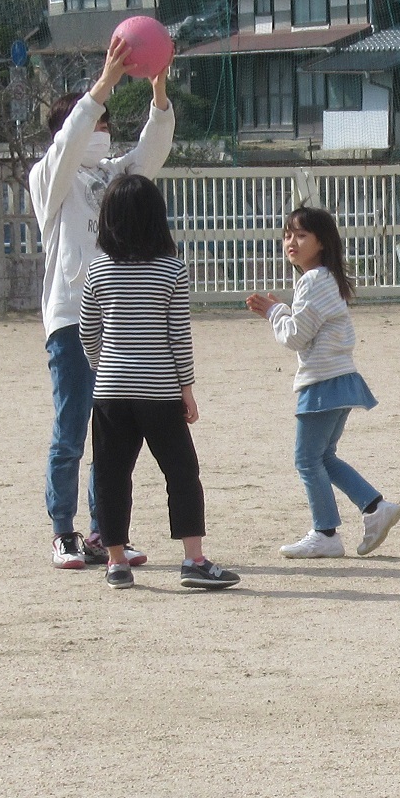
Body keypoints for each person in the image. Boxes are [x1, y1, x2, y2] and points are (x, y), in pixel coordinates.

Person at [29, 39, 173, 571]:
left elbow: (149, 154)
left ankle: (103, 531)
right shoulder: (50, 179)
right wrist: (104, 83)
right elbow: (69, 145)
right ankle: (62, 530)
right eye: (95, 120)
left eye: (107, 122)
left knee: (111, 430)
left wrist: (158, 95)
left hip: (116, 320)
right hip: (70, 319)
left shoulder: (113, 175)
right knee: (71, 427)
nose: (103, 128)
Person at [77, 172, 239, 593]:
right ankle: (194, 559)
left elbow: (87, 331)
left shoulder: (97, 270)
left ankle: (116, 562)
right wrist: (187, 387)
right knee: (181, 472)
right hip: (161, 389)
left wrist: (104, 366)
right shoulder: (171, 269)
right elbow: (177, 335)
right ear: (156, 219)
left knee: (111, 475)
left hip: (111, 391)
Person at [246, 206, 400, 560]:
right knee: (322, 456)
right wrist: (283, 310)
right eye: (287, 234)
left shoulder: (314, 280)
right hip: (339, 379)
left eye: (301, 235)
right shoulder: (325, 279)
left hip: (322, 382)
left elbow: (295, 337)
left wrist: (275, 312)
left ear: (322, 242)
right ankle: (375, 508)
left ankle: (326, 532)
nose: (291, 241)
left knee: (306, 458)